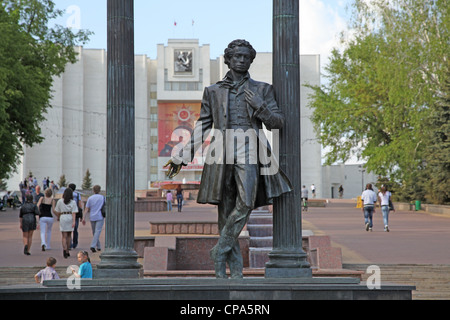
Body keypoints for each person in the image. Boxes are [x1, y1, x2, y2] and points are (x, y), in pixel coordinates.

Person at [165, 39, 292, 279]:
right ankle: (229, 272)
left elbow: (278, 123)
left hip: (250, 149)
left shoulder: (263, 89)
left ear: (250, 60)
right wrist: (183, 156)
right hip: (220, 152)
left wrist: (261, 107)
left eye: (246, 57)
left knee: (246, 201)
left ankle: (219, 249)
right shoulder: (212, 91)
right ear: (229, 59)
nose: (242, 60)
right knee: (224, 212)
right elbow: (203, 125)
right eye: (237, 57)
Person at [54, 188, 78, 258]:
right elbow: (74, 213)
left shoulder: (60, 201)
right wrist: (74, 221)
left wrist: (58, 216)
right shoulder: (73, 202)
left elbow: (57, 211)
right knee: (69, 235)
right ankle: (67, 250)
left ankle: (64, 249)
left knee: (64, 236)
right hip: (70, 216)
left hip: (63, 216)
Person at [82, 185, 105, 253]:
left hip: (92, 216)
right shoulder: (103, 197)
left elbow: (86, 208)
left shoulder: (90, 198)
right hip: (100, 216)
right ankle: (93, 245)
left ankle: (98, 246)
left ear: (93, 190)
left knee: (94, 232)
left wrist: (84, 217)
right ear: (99, 190)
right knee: (97, 231)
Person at [68, 183, 83, 249]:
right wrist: (81, 214)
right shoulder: (77, 195)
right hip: (76, 213)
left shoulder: (67, 194)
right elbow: (80, 204)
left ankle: (69, 243)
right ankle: (75, 243)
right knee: (75, 228)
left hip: (68, 212)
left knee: (69, 229)